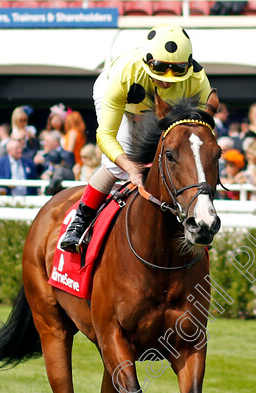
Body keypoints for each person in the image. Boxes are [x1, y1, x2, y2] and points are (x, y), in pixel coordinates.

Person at [59, 24, 216, 252]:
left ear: (188, 66)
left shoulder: (199, 82)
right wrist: (131, 169)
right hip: (120, 100)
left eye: (178, 70)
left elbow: (202, 137)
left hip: (158, 109)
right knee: (117, 165)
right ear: (149, 63)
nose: (168, 79)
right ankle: (79, 222)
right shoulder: (125, 73)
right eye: (161, 69)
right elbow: (105, 135)